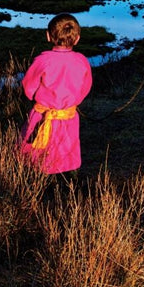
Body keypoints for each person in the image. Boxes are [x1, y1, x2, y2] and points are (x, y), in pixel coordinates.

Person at [19, 13, 92, 175]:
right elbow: (85, 87)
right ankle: (66, 181)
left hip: (42, 116)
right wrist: (72, 102)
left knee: (37, 155)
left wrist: (36, 98)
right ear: (77, 38)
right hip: (68, 117)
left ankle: (36, 182)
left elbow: (28, 87)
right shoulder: (82, 61)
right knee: (65, 151)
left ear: (48, 36)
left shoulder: (42, 60)